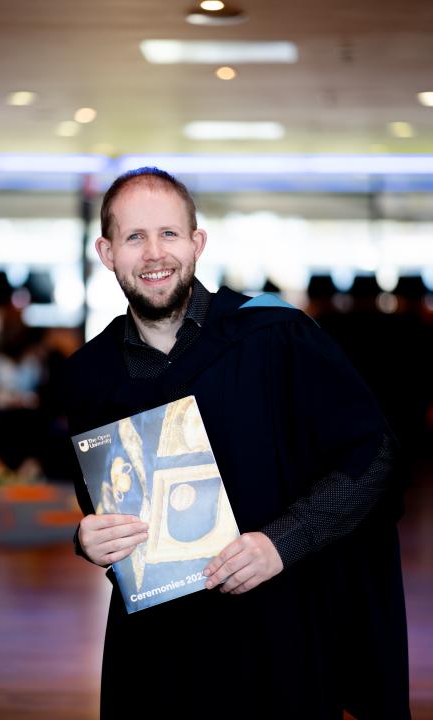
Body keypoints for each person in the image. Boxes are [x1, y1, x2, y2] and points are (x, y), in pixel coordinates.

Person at [63, 167, 410, 719]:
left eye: (169, 233)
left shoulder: (276, 336)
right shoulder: (88, 376)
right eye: (134, 237)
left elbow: (374, 457)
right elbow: (99, 503)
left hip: (278, 630)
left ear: (197, 243)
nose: (155, 253)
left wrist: (282, 542)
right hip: (156, 646)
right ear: (107, 253)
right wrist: (88, 540)